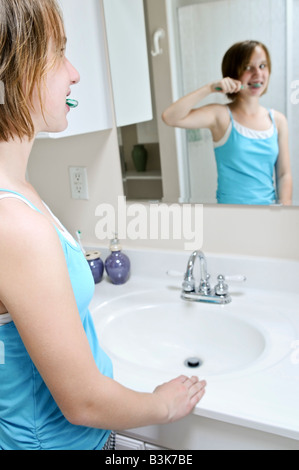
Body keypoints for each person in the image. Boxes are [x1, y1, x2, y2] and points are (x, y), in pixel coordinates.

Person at [0, 0, 206, 450]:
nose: (74, 73)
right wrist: (162, 405)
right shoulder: (13, 222)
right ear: (15, 69)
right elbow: (83, 402)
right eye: (58, 54)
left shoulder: (18, 191)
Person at [162, 40, 293, 205]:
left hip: (268, 215)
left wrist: (284, 212)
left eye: (262, 66)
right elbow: (170, 117)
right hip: (229, 217)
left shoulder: (278, 121)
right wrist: (210, 88)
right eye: (247, 67)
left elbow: (284, 174)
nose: (258, 74)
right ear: (232, 74)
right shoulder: (220, 116)